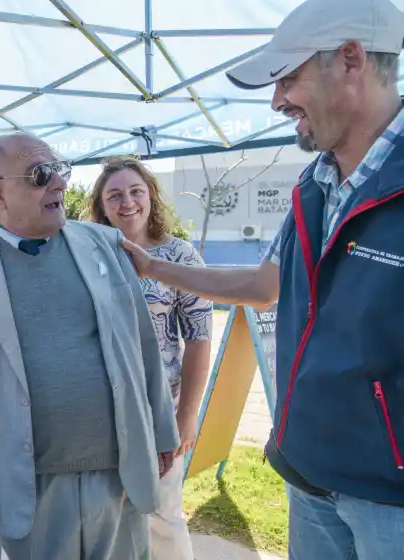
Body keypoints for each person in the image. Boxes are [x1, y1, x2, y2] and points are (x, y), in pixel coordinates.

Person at [120, 0, 404, 557]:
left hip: (388, 499)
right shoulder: (313, 186)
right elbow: (263, 285)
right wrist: (152, 267)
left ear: (350, 59)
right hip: (309, 476)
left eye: (288, 78)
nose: (276, 101)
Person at [0, 132, 179, 559]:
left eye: (59, 170)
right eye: (41, 175)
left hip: (118, 475)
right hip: (25, 484)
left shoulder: (107, 245)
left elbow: (143, 345)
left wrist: (163, 429)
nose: (59, 184)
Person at [85, 156, 212, 560]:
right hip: (100, 411)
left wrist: (187, 415)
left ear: (151, 196)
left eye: (136, 191)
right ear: (101, 206)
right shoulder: (88, 257)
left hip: (161, 410)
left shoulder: (180, 255)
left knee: (162, 513)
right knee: (106, 514)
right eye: (115, 195)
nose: (127, 203)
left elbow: (199, 338)